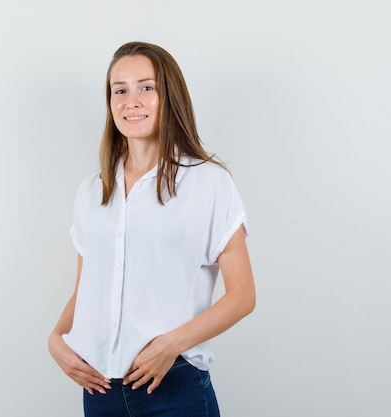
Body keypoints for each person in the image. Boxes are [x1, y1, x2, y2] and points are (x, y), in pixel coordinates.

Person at [48, 41, 256, 417]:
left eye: (147, 87)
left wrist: (171, 344)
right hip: (99, 392)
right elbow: (87, 290)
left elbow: (242, 295)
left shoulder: (208, 183)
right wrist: (56, 339)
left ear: (169, 96)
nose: (132, 101)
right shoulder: (92, 191)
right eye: (120, 90)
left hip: (173, 388)